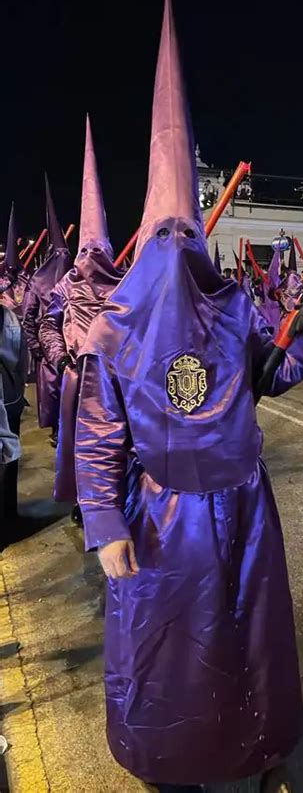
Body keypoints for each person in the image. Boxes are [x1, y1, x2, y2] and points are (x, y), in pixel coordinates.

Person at [74, 0, 303, 792]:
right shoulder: (116, 325)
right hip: (163, 518)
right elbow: (98, 435)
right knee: (169, 653)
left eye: (191, 228)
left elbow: (269, 375)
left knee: (248, 642)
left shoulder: (231, 310)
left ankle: (256, 757)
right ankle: (169, 763)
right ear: (150, 231)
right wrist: (107, 520)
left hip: (245, 506)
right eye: (168, 227)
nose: (180, 239)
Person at [38, 116, 123, 519]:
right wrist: (60, 357)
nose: (89, 259)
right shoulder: (65, 287)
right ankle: (82, 501)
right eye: (83, 252)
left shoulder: (125, 287)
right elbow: (48, 324)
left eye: (96, 251)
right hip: (77, 375)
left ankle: (112, 500)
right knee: (77, 442)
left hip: (116, 378)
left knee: (116, 442)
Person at [23, 177, 73, 440]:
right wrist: (36, 348)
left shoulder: (73, 279)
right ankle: (56, 431)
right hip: (47, 350)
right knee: (53, 394)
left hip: (71, 347)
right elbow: (28, 318)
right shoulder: (37, 281)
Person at [0, 302, 28, 549]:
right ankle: (9, 516)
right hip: (10, 398)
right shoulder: (10, 317)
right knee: (9, 460)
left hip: (9, 399)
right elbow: (21, 360)